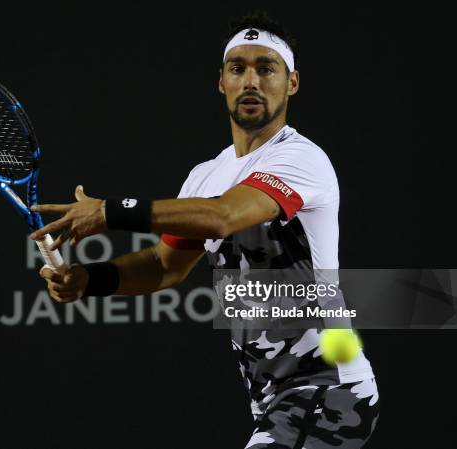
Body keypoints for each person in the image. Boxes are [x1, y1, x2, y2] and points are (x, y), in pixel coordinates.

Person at [30, 10, 379, 449]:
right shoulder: (204, 176)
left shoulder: (302, 159)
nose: (250, 81)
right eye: (238, 69)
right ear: (221, 82)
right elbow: (163, 266)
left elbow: (224, 217)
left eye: (266, 68)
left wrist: (108, 211)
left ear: (291, 83)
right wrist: (90, 279)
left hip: (330, 387)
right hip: (272, 401)